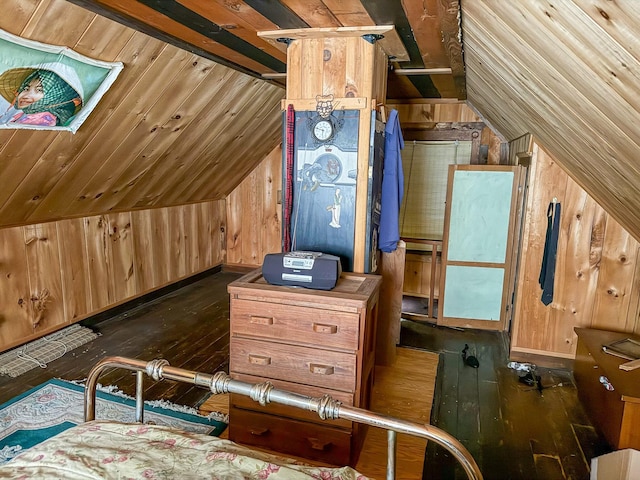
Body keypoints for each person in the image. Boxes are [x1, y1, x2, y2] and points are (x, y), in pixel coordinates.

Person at [0, 62, 83, 127]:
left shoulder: (42, 122)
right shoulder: (29, 114)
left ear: (57, 97)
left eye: (39, 90)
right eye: (26, 89)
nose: (26, 95)